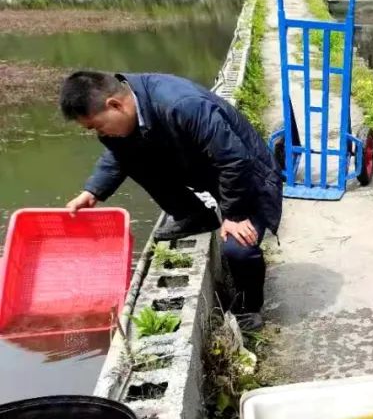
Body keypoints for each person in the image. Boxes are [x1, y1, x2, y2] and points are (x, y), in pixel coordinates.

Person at [60, 71, 283, 331]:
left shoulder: (182, 104)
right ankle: (195, 216)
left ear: (115, 105)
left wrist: (234, 215)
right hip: (205, 167)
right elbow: (117, 156)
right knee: (133, 157)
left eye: (97, 126)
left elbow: (234, 159)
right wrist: (93, 191)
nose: (100, 134)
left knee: (238, 248)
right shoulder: (129, 114)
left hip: (247, 173)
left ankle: (249, 307)